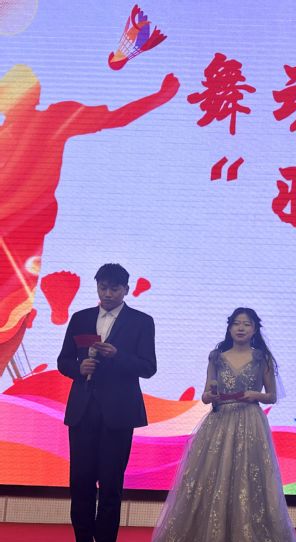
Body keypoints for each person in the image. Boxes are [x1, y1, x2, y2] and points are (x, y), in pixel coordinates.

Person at [0, 65, 178, 374]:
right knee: (12, 315)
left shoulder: (53, 119)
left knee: (12, 316)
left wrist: (160, 97)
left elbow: (115, 117)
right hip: (17, 237)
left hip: (23, 237)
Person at [133, 307, 296, 542]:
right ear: (229, 327)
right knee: (210, 480)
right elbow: (205, 395)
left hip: (250, 422)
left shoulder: (262, 358)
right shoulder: (216, 357)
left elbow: (271, 396)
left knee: (248, 481)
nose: (241, 328)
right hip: (219, 422)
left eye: (247, 324)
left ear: (255, 330)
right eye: (236, 323)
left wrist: (253, 394)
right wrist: (210, 395)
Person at [57, 263, 157, 542]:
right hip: (83, 411)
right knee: (81, 483)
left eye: (114, 288)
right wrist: (78, 368)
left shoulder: (141, 322)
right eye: (103, 287)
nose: (108, 294)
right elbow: (63, 361)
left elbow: (148, 367)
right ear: (97, 287)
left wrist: (117, 355)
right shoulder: (80, 318)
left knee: (111, 485)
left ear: (126, 289)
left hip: (118, 413)